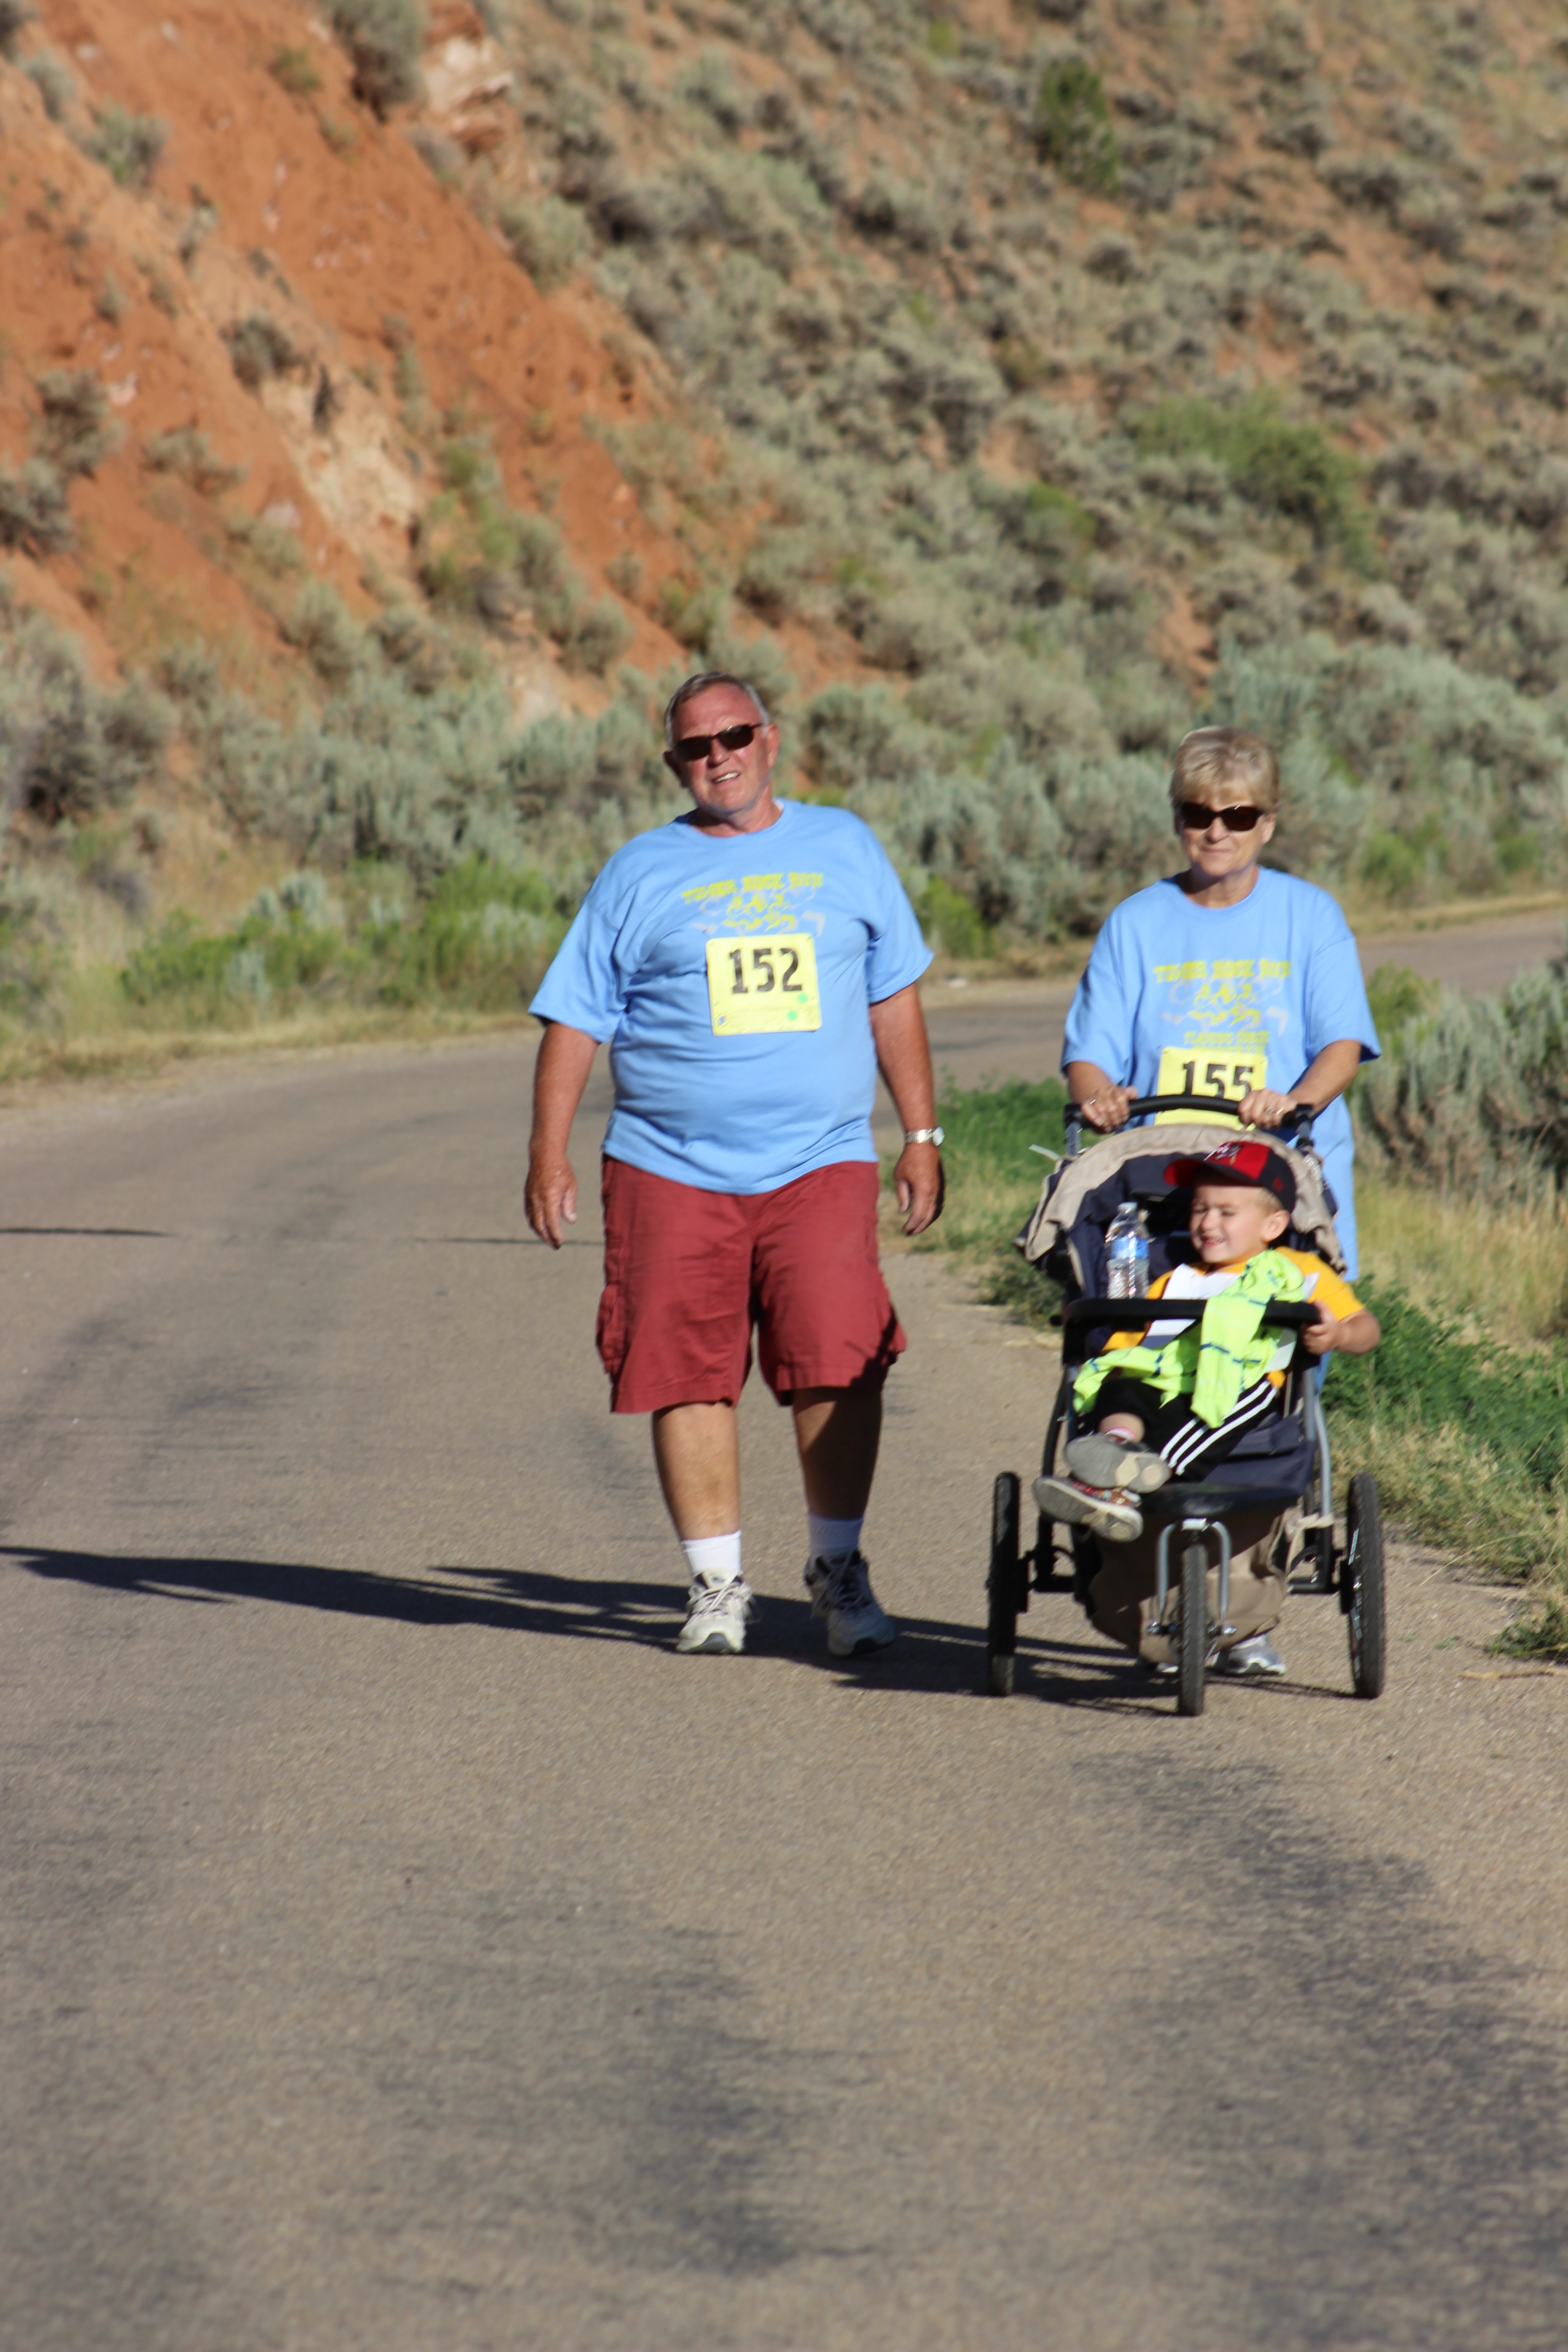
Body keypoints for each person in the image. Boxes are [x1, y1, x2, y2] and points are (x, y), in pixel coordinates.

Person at [524, 670, 942, 1658]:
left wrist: (922, 1138)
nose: (717, 757)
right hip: (670, 1165)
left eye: (734, 737)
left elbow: (895, 997)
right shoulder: (639, 870)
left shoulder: (844, 846)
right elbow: (574, 1020)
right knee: (686, 1372)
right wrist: (548, 1152)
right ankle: (717, 1586)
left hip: (821, 1159)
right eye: (694, 747)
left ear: (772, 739)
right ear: (675, 763)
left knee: (839, 1360)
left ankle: (838, 1572)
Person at [1036, 1140, 1380, 1678]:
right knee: (1121, 1386)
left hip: (1242, 1388)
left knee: (1205, 1418)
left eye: (1226, 1211)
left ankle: (1121, 1485)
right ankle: (1118, 1454)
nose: (1206, 1222)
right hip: (1166, 1378)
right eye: (1198, 1209)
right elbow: (1128, 1343)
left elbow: (1366, 1329)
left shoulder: (1297, 1269)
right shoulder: (1173, 1276)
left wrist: (1334, 1332)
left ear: (1273, 1225)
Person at [1062, 725, 1380, 1278]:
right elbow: (1089, 1057)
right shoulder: (1133, 924)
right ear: (1176, 819)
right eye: (1197, 814)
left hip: (1279, 1188)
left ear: (1268, 825)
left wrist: (1291, 1101)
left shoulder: (1312, 917)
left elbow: (1341, 1047)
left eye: (1237, 816)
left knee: (1289, 1349)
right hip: (1162, 1189)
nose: (1216, 831)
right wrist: (1100, 1099)